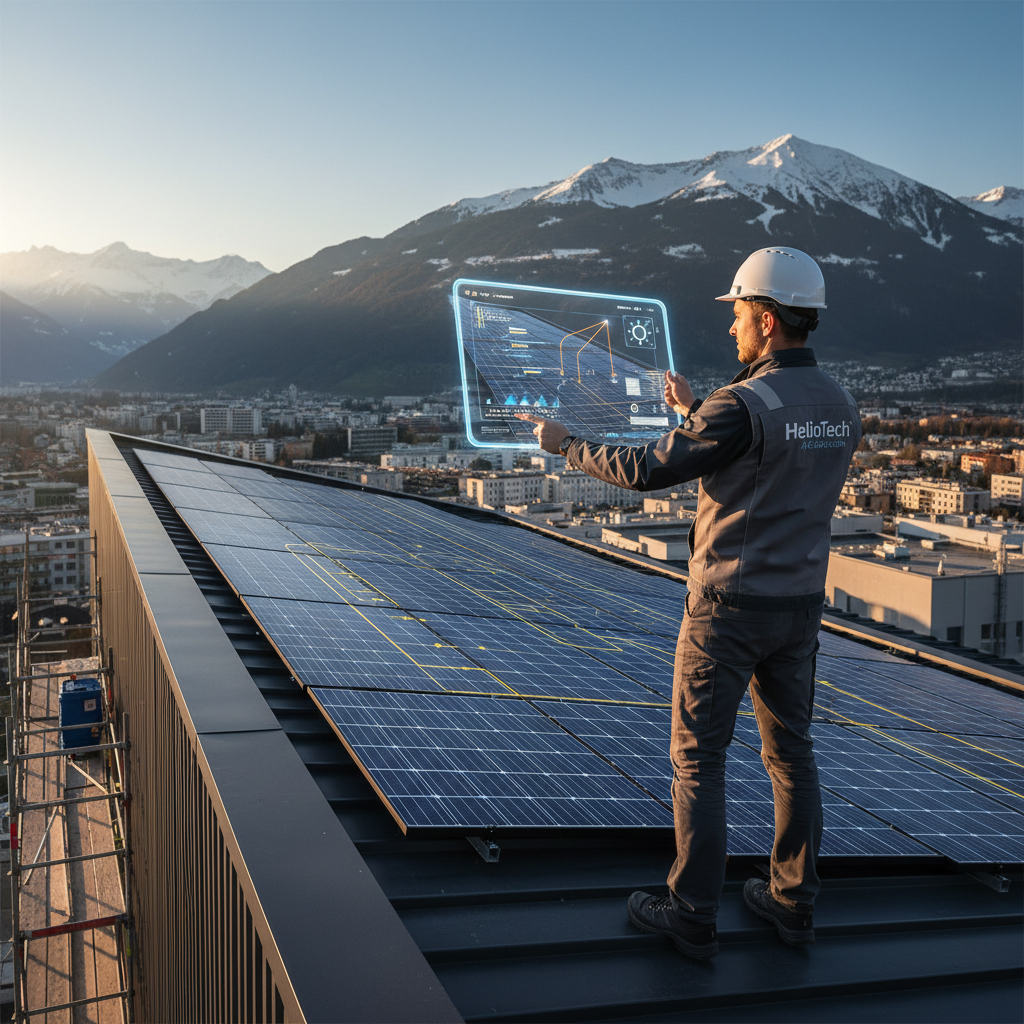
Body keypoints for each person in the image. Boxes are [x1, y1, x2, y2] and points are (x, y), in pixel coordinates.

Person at [517, 247, 860, 960]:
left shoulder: (742, 405)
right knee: (792, 755)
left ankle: (692, 912)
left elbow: (647, 470)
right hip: (798, 607)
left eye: (738, 314)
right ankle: (793, 903)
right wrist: (695, 408)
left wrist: (566, 444)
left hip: (729, 607)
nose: (732, 328)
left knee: (699, 758)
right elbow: (775, 455)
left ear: (766, 321)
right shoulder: (838, 402)